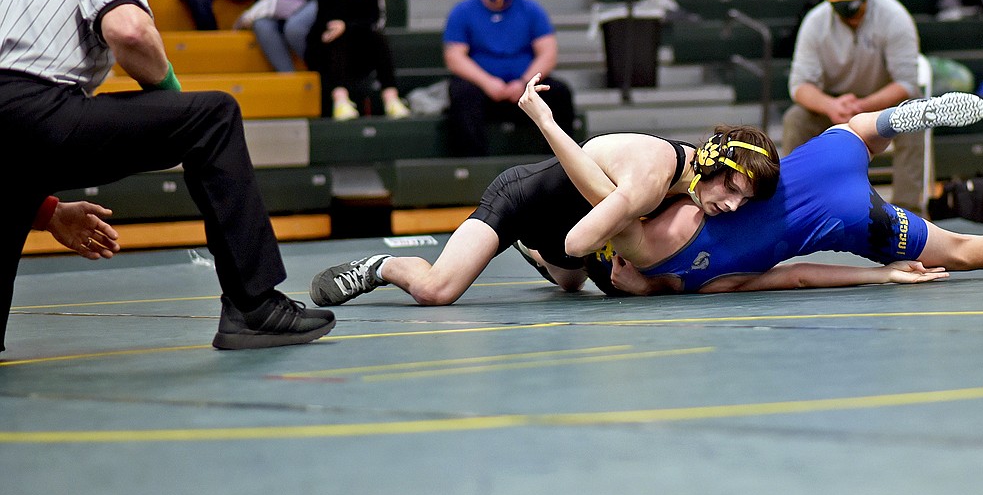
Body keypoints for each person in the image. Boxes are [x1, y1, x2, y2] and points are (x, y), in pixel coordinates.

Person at [0, 0, 335, 353]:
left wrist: (47, 212)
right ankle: (253, 307)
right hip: (35, 107)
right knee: (214, 114)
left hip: (16, 139)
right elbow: (130, 32)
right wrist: (175, 105)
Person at [518, 82, 983, 296]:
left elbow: (796, 277)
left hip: (846, 218)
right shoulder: (687, 194)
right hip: (803, 165)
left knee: (961, 250)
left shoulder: (698, 271)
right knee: (858, 130)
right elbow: (636, 195)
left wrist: (881, 276)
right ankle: (906, 115)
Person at [306, 115, 778, 307]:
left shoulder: (690, 188)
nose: (732, 206)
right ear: (712, 162)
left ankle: (534, 251)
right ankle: (383, 266)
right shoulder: (653, 174)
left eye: (744, 201)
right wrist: (640, 281)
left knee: (572, 283)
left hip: (577, 226)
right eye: (733, 188)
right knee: (436, 291)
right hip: (524, 201)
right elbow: (580, 243)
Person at [784, 0, 925, 213]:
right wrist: (830, 105)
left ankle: (909, 210)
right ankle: (796, 206)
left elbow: (906, 83)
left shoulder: (894, 16)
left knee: (914, 116)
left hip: (882, 105)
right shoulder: (815, 22)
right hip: (833, 105)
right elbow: (799, 86)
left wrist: (864, 106)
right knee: (796, 118)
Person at [443, 0, 575, 156]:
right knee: (462, 94)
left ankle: (558, 163)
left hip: (523, 90)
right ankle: (475, 166)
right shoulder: (463, 11)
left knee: (560, 93)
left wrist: (524, 82)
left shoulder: (532, 11)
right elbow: (455, 57)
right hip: (483, 90)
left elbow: (548, 52)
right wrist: (487, 82)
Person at [309, 0, 409, 120]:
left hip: (360, 47)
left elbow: (373, 20)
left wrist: (348, 26)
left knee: (378, 38)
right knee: (337, 34)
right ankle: (340, 101)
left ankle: (391, 98)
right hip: (328, 47)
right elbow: (324, 18)